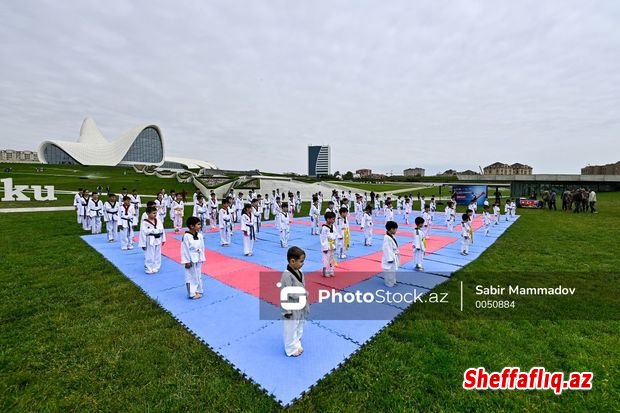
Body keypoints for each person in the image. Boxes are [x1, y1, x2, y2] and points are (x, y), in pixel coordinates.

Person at [280, 246, 308, 357]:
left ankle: (297, 343)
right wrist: (303, 293)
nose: (303, 263)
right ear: (292, 261)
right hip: (289, 307)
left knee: (299, 325)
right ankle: (290, 349)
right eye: (301, 261)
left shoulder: (300, 272)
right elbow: (288, 292)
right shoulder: (286, 275)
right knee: (290, 328)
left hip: (300, 304)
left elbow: (303, 285)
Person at [139, 206, 166, 274]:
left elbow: (162, 230)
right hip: (149, 239)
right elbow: (142, 233)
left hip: (158, 238)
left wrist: (163, 239)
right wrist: (143, 244)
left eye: (156, 213)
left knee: (157, 254)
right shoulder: (144, 222)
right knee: (149, 254)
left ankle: (156, 267)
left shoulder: (158, 221)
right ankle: (148, 268)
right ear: (148, 213)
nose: (155, 215)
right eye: (153, 213)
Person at [382, 221, 400, 287]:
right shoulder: (387, 238)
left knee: (393, 270)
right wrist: (390, 258)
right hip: (389, 257)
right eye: (395, 229)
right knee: (388, 270)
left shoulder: (391, 236)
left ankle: (393, 281)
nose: (396, 231)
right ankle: (389, 283)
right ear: (391, 229)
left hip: (393, 255)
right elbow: (387, 249)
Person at [320, 211, 337, 277]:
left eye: (334, 219)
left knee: (332, 259)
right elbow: (323, 239)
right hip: (326, 246)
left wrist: (334, 242)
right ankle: (326, 271)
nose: (334, 220)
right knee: (326, 259)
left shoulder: (333, 226)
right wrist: (324, 247)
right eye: (333, 219)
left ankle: (331, 270)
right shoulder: (324, 228)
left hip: (332, 245)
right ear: (328, 219)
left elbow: (335, 234)